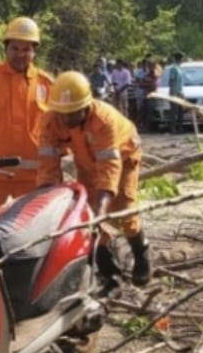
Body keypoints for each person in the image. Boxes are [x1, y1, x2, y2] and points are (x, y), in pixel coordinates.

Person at [37, 71, 151, 296]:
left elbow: (109, 168)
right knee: (88, 217)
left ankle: (142, 254)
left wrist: (101, 210)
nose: (66, 120)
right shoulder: (51, 121)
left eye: (72, 113)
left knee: (124, 209)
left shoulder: (104, 120)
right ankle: (111, 275)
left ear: (86, 106)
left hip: (123, 158)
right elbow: (47, 165)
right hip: (87, 163)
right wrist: (47, 201)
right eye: (62, 114)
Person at [0, 16, 54, 211]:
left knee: (30, 227)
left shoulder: (46, 85)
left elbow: (56, 132)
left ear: (34, 51)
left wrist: (52, 171)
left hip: (33, 177)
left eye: (26, 49)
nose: (20, 54)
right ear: (6, 48)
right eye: (15, 48)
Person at [168, 52, 185, 134]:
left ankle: (180, 127)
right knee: (174, 111)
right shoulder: (173, 68)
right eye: (182, 58)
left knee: (181, 111)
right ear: (180, 59)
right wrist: (172, 93)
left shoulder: (180, 68)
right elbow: (171, 81)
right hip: (175, 92)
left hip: (180, 92)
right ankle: (173, 128)